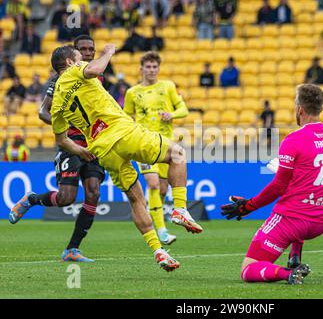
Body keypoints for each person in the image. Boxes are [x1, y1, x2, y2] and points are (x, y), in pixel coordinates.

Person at [15, 43, 202, 272]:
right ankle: (180, 209)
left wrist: (82, 151)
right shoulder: (75, 71)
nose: (83, 59)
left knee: (136, 199)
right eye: (78, 57)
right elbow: (94, 70)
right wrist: (108, 52)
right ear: (70, 63)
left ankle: (158, 251)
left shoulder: (57, 104)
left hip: (102, 151)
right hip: (122, 133)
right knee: (177, 154)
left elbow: (61, 140)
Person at [221, 84, 323, 285]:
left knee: (248, 269)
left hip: (292, 221)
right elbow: (307, 178)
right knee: (301, 195)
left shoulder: (293, 140)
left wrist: (248, 206)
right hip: (321, 221)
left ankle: (288, 274)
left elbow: (278, 186)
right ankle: (295, 256)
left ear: (300, 109)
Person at [10, 36, 107, 263]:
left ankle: (72, 249)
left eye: (91, 49)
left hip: (94, 143)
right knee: (66, 198)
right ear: (73, 55)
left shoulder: (98, 77)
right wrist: (66, 122)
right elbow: (43, 112)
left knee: (93, 192)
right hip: (71, 143)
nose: (87, 53)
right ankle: (32, 200)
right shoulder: (60, 80)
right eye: (82, 49)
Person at [124, 51, 189, 245]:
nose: (151, 70)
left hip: (165, 145)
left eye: (154, 67)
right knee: (152, 184)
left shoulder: (168, 86)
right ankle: (161, 231)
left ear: (158, 69)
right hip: (143, 143)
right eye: (148, 67)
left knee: (161, 190)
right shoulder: (132, 92)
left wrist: (171, 115)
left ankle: (160, 221)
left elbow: (183, 109)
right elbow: (127, 116)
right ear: (141, 69)